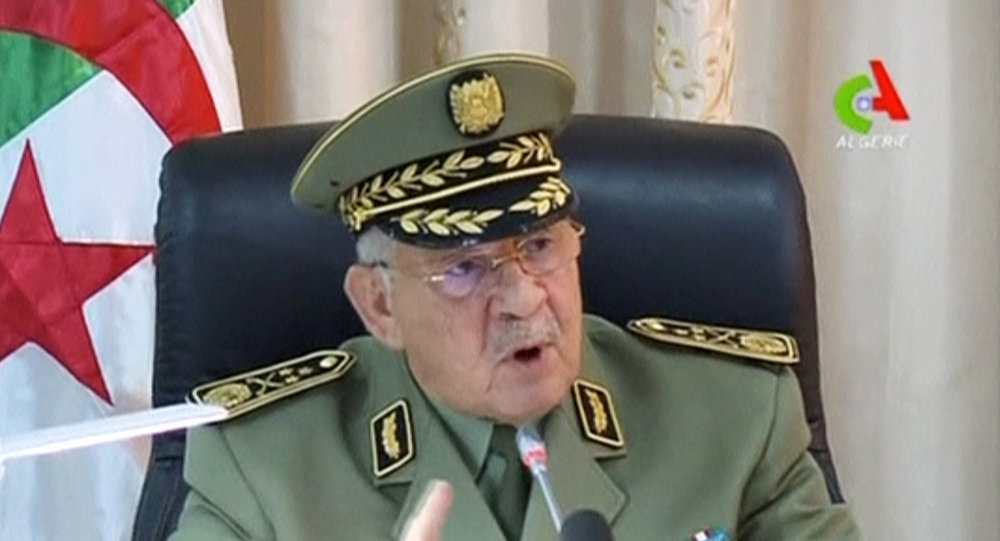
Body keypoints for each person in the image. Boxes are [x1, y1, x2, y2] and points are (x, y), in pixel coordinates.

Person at [168, 54, 860, 541]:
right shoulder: (262, 468)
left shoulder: (733, 418)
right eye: (466, 268)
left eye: (540, 246)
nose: (525, 300)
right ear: (379, 305)